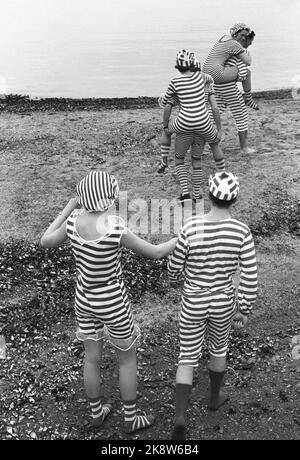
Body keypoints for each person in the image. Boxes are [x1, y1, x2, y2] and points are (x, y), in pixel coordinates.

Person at [41, 169, 177, 434]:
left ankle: (96, 412)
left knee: (91, 359)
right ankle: (130, 419)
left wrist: (70, 205)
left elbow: (45, 240)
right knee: (126, 359)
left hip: (83, 300)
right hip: (113, 302)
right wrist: (181, 238)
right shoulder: (115, 227)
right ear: (109, 197)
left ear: (83, 198)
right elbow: (156, 253)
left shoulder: (72, 222)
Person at [168, 171, 258, 440]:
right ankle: (214, 397)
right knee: (219, 348)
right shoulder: (241, 231)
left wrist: (174, 279)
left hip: (193, 301)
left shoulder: (191, 227)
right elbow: (250, 275)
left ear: (208, 196)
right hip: (222, 302)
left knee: (187, 356)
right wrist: (244, 308)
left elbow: (175, 266)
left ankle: (180, 417)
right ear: (235, 200)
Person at [161, 50, 225, 204]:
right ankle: (198, 194)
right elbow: (215, 107)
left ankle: (184, 193)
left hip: (183, 123)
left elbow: (167, 107)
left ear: (177, 67)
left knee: (179, 157)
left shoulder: (174, 82)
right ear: (192, 65)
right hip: (203, 123)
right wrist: (219, 128)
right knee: (200, 156)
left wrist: (166, 126)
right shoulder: (202, 78)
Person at [203, 23, 258, 154]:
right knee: (242, 115)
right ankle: (244, 148)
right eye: (244, 36)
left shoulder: (224, 39)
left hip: (210, 80)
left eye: (247, 37)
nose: (247, 41)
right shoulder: (236, 45)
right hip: (223, 79)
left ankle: (202, 148)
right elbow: (248, 61)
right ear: (239, 35)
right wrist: (247, 53)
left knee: (211, 115)